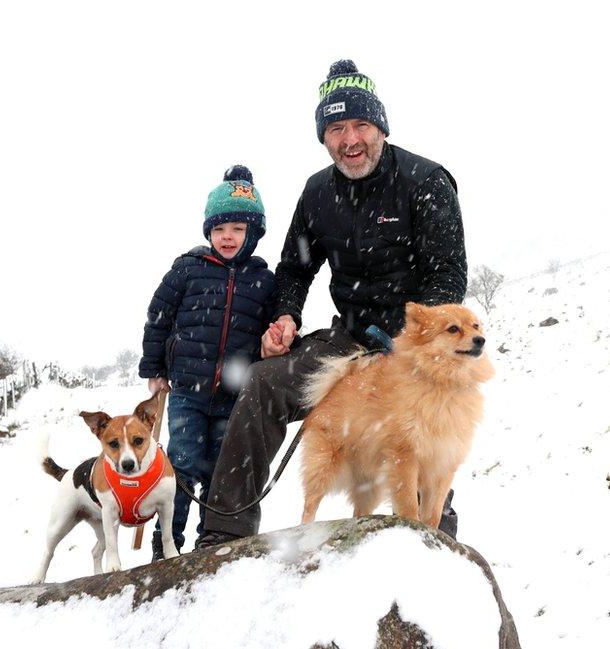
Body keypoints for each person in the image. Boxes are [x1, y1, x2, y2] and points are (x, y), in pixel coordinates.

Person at [195, 60, 467, 549]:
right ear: (324, 136)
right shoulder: (318, 192)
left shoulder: (425, 182)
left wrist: (408, 349)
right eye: (336, 128)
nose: (350, 140)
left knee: (414, 424)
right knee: (261, 383)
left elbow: (448, 280)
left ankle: (436, 536)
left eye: (360, 124)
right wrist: (285, 316)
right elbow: (296, 269)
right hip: (348, 339)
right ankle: (222, 536)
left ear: (380, 126)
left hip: (417, 350)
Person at [138, 165, 276, 559]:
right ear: (208, 232)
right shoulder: (188, 269)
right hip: (187, 391)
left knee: (222, 469)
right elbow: (158, 315)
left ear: (253, 233)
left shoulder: (263, 281)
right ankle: (167, 544)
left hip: (235, 395)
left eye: (237, 228)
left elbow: (272, 329)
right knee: (181, 465)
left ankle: (210, 541)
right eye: (219, 229)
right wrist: (154, 369)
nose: (227, 237)